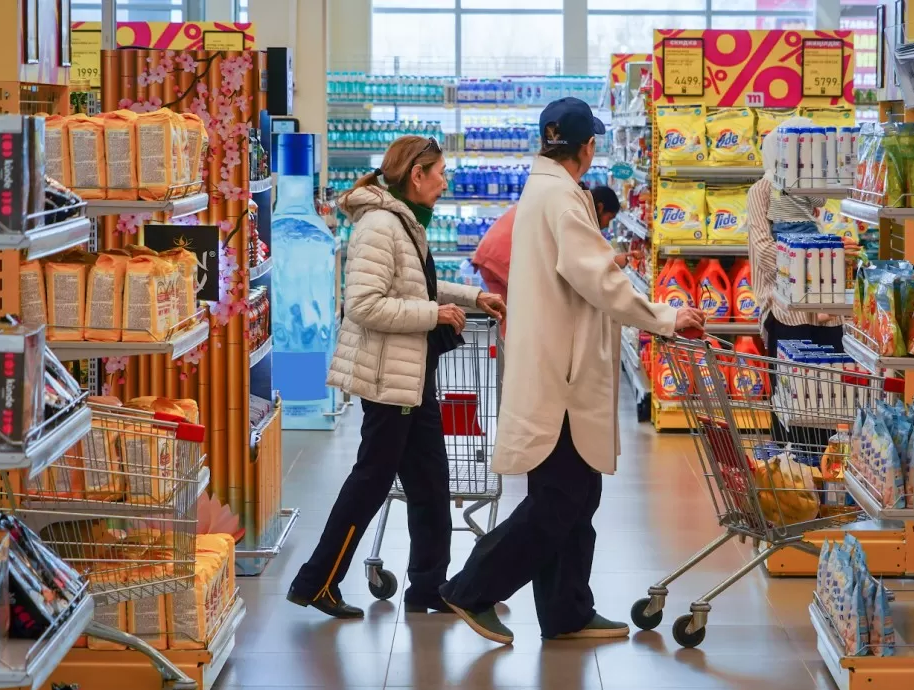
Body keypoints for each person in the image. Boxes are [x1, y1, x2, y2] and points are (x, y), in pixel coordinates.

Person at [439, 98, 705, 644]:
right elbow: (600, 284)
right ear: (587, 148)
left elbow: (580, 271)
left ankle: (567, 611)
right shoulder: (563, 197)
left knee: (577, 495)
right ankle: (470, 588)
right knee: (562, 498)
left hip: (551, 363)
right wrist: (665, 317)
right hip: (561, 375)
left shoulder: (547, 191)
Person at [288, 135, 506, 619]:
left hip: (412, 375)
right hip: (390, 380)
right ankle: (316, 581)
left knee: (430, 483)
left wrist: (471, 298)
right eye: (440, 173)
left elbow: (416, 285)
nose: (445, 182)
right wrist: (433, 314)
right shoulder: (381, 226)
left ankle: (429, 586)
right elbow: (364, 305)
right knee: (370, 481)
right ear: (416, 175)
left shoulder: (403, 222)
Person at [746, 117, 844, 448]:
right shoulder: (761, 192)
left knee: (829, 399)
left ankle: (820, 472)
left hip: (826, 311)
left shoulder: (814, 191)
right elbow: (765, 253)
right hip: (786, 312)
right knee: (791, 402)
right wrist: (812, 261)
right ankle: (794, 476)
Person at [471, 185, 636, 302]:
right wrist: (613, 263)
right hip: (504, 255)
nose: (607, 225)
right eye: (610, 218)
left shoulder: (572, 198)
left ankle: (519, 351)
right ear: (599, 207)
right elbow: (579, 260)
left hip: (492, 252)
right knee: (533, 310)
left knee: (513, 318)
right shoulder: (577, 210)